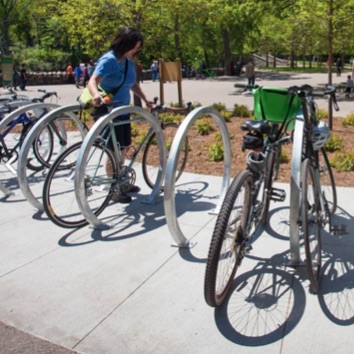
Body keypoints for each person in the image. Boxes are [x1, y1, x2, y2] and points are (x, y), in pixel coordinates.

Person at [88, 26, 153, 203]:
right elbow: (92, 81)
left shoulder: (128, 62)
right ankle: (113, 188)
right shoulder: (108, 60)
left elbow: (132, 84)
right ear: (125, 43)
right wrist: (96, 94)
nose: (136, 50)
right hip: (108, 112)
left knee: (123, 147)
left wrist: (145, 99)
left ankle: (121, 181)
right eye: (135, 46)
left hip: (123, 111)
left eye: (138, 47)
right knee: (112, 150)